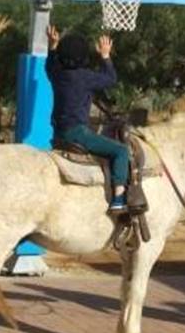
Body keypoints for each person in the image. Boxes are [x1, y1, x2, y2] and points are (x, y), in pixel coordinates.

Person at [46, 25, 129, 214]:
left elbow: (49, 66)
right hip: (78, 134)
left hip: (58, 133)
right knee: (121, 151)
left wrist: (52, 46)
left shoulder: (58, 75)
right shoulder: (86, 77)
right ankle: (118, 198)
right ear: (84, 56)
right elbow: (110, 79)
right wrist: (105, 55)